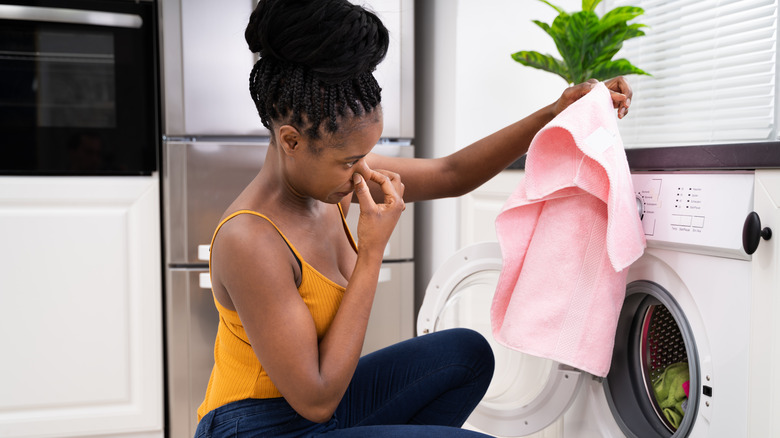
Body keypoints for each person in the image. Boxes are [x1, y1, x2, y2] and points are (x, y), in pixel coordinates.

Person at [194, 0, 632, 437]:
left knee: (467, 354)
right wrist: (372, 253)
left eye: (365, 154)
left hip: (326, 410)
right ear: (290, 141)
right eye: (351, 160)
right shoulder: (250, 239)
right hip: (257, 426)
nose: (364, 170)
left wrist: (554, 112)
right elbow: (315, 399)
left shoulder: (330, 181)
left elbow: (451, 174)